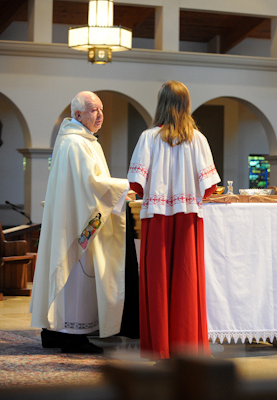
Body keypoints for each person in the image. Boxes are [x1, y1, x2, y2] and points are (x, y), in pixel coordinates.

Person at [29, 91, 129, 354]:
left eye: (102, 110)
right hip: (77, 224)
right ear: (78, 114)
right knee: (75, 276)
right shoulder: (76, 143)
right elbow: (90, 185)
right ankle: (72, 336)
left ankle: (53, 332)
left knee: (68, 273)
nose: (100, 115)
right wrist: (126, 186)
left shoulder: (83, 141)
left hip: (78, 218)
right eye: (94, 110)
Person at [128, 81, 221, 361]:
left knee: (157, 280)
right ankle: (187, 349)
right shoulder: (198, 140)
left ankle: (160, 349)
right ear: (186, 105)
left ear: (161, 104)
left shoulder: (148, 138)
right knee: (186, 280)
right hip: (188, 218)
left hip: (157, 218)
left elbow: (136, 184)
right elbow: (210, 188)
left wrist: (159, 192)